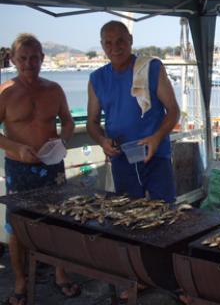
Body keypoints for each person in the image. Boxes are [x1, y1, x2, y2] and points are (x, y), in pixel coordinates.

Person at [0, 33, 77, 305]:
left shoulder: (54, 89)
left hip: (52, 165)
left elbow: (68, 122)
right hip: (18, 168)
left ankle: (60, 273)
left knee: (59, 221)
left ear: (43, 59)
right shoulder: (5, 92)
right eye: (23, 58)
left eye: (34, 58)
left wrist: (63, 139)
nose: (29, 64)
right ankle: (20, 281)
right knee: (16, 227)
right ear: (13, 59)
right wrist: (16, 147)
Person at [87, 21, 180, 203]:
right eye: (108, 43)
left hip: (156, 156)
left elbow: (174, 111)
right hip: (121, 159)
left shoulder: (151, 68)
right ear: (102, 45)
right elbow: (92, 122)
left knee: (166, 213)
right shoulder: (97, 79)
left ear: (130, 40)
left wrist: (157, 137)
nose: (115, 47)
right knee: (128, 213)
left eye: (120, 41)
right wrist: (102, 141)